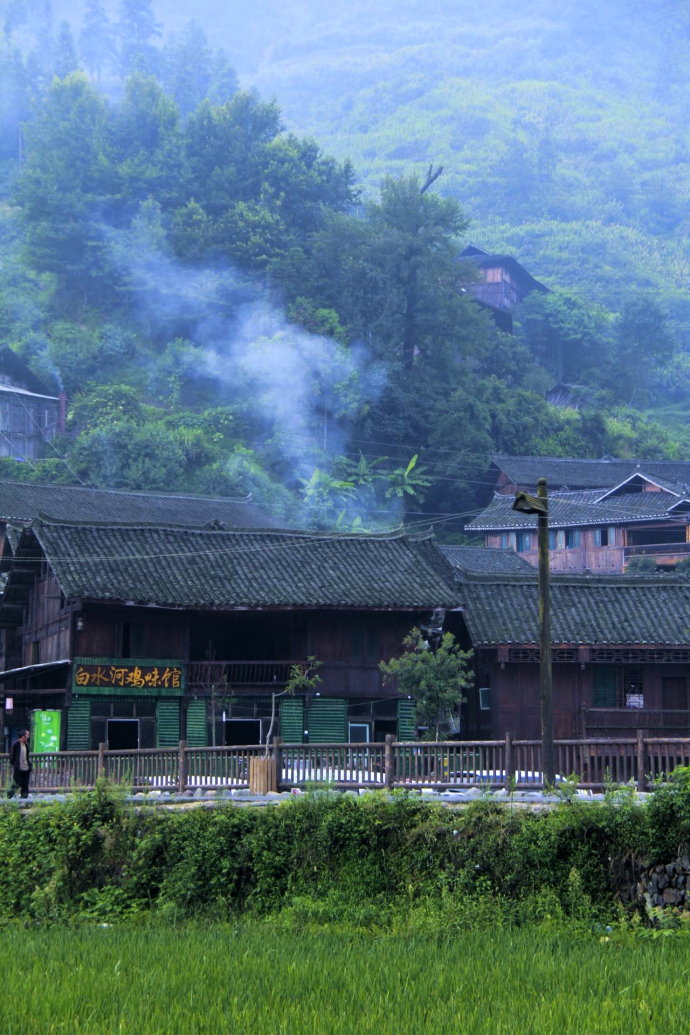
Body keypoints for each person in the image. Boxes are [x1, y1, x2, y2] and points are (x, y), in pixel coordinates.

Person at [7, 729, 31, 799]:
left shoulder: (26, 745)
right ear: (23, 736)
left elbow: (27, 756)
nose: (28, 736)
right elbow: (11, 756)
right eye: (27, 735)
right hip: (18, 767)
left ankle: (24, 798)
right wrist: (15, 764)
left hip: (26, 767)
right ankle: (9, 796)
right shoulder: (16, 744)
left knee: (25, 784)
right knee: (17, 783)